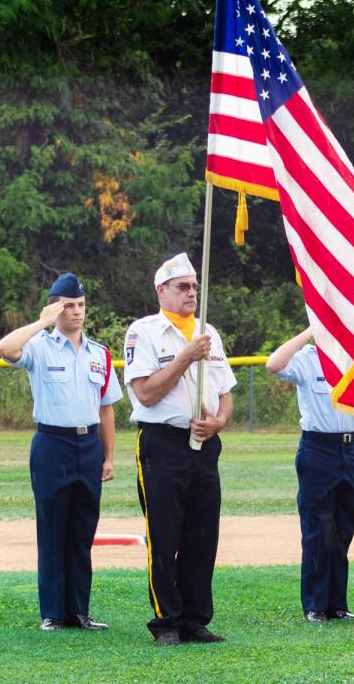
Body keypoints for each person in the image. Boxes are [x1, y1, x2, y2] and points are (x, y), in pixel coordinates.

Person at [0, 272, 122, 632]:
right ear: (54, 308)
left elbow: (107, 409)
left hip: (88, 445)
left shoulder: (99, 354)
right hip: (52, 444)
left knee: (83, 533)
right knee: (52, 530)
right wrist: (42, 322)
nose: (76, 312)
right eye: (68, 306)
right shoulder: (39, 346)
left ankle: (78, 612)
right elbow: (5, 349)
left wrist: (109, 456)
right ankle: (52, 612)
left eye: (80, 305)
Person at [124, 253, 236, 646]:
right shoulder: (145, 332)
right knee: (165, 534)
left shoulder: (209, 332)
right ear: (161, 290)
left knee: (202, 536)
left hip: (205, 444)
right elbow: (146, 393)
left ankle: (194, 619)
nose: (192, 293)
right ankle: (166, 621)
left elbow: (225, 392)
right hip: (162, 442)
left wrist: (219, 421)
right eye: (183, 287)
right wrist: (187, 355)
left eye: (194, 287)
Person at [267, 327, 354, 623]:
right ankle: (315, 604)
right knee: (318, 529)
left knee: (343, 529)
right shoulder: (307, 359)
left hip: (348, 449)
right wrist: (308, 332)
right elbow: (273, 364)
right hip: (318, 450)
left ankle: (337, 604)